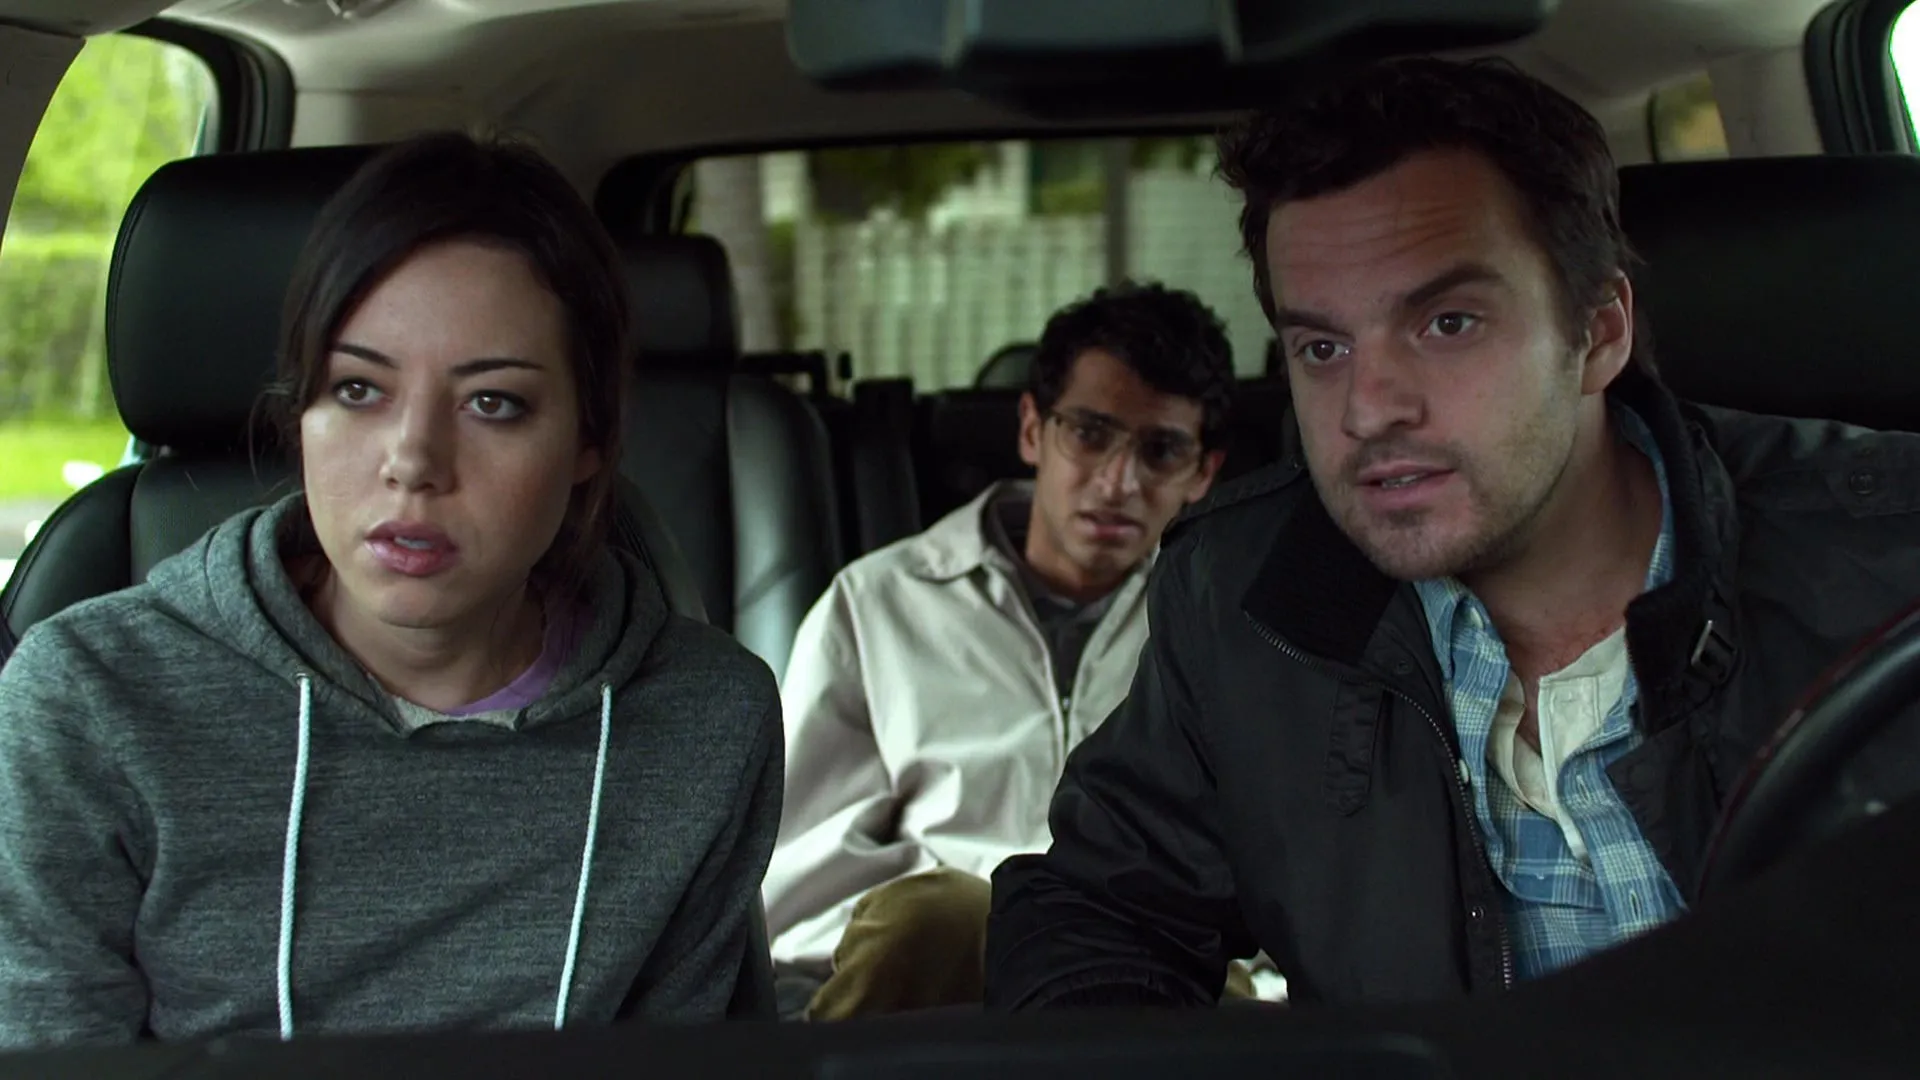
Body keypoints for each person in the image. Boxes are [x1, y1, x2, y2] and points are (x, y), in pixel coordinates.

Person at [984, 56, 1920, 1010]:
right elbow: (1099, 908)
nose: (1368, 409)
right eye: (1323, 347)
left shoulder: (1892, 569)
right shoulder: (1245, 597)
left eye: (1448, 323)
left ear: (1598, 333)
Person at [0, 132, 783, 1046]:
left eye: (492, 402)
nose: (413, 462)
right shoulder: (86, 704)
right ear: (299, 412)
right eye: (359, 390)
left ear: (589, 441)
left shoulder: (705, 720)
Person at [765, 282, 1235, 1019]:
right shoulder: (878, 604)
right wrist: (998, 921)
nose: (1119, 482)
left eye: (1161, 450)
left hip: (1155, 974)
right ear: (1032, 430)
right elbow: (802, 884)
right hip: (937, 976)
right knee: (929, 921)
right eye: (1090, 433)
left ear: (1202, 473)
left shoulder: (1226, 628)